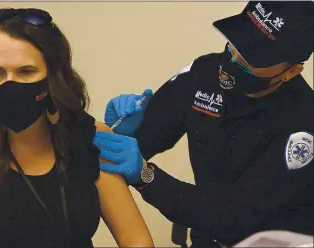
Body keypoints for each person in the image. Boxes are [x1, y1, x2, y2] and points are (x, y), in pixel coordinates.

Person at [93, 1, 314, 247]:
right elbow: (144, 140)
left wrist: (147, 177)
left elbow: (233, 215)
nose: (235, 59)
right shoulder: (203, 73)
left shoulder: (303, 123)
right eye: (236, 42)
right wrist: (127, 132)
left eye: (254, 56)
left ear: (291, 71)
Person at [0, 8, 154, 248]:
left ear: (53, 77)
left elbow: (136, 239)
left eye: (25, 72)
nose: (10, 84)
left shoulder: (87, 137)